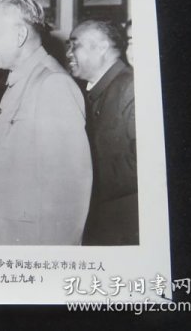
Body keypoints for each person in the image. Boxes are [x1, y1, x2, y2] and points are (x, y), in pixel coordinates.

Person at [0, 0, 92, 245]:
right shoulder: (19, 79)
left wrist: (50, 264)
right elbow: (7, 155)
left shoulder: (53, 84)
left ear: (20, 35)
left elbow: (69, 194)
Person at [67, 20, 138, 245]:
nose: (68, 53)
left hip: (123, 230)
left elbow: (143, 166)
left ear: (102, 47)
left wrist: (79, 176)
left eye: (75, 45)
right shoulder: (91, 90)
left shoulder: (131, 88)